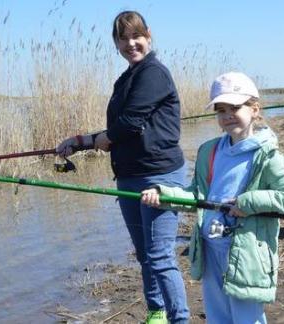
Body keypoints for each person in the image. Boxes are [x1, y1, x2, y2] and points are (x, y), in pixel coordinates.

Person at [56, 11, 189, 324]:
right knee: (144, 254)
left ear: (149, 35)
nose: (131, 43)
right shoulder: (126, 78)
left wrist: (101, 138)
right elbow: (116, 127)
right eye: (123, 38)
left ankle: (180, 319)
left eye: (136, 36)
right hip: (128, 177)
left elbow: (129, 123)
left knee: (160, 257)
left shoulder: (154, 72)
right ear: (116, 43)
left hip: (159, 176)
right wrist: (78, 141)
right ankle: (156, 312)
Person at [140, 72, 284, 324]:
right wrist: (163, 195)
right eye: (220, 110)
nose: (227, 115)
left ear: (255, 110)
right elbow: (195, 195)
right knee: (217, 316)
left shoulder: (268, 156)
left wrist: (247, 203)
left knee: (246, 317)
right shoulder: (210, 151)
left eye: (235, 107)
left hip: (247, 255)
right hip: (210, 250)